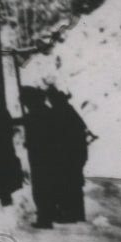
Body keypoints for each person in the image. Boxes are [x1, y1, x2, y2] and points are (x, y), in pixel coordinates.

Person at [15, 86, 56, 228]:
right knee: (45, 185)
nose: (25, 104)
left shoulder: (36, 112)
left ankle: (45, 219)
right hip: (46, 153)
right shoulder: (44, 110)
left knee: (40, 186)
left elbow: (26, 122)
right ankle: (47, 215)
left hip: (40, 154)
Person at [47, 85, 89, 222]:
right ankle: (78, 214)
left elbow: (58, 135)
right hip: (76, 152)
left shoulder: (59, 111)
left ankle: (69, 214)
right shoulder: (68, 109)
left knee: (67, 183)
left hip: (68, 154)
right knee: (74, 183)